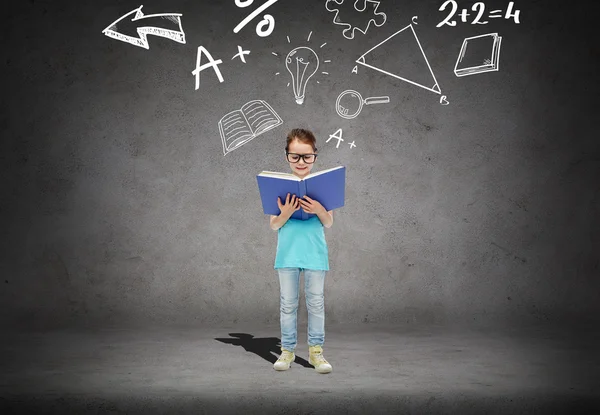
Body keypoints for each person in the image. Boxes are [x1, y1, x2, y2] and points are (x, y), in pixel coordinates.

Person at [269, 128, 333, 374]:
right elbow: (274, 225)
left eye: (307, 156)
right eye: (295, 156)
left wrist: (318, 208)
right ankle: (287, 351)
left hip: (315, 254)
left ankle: (316, 352)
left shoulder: (323, 186)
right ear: (287, 156)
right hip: (287, 254)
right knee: (288, 304)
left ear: (315, 156)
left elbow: (328, 222)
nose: (301, 162)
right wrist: (284, 213)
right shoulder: (278, 186)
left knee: (316, 303)